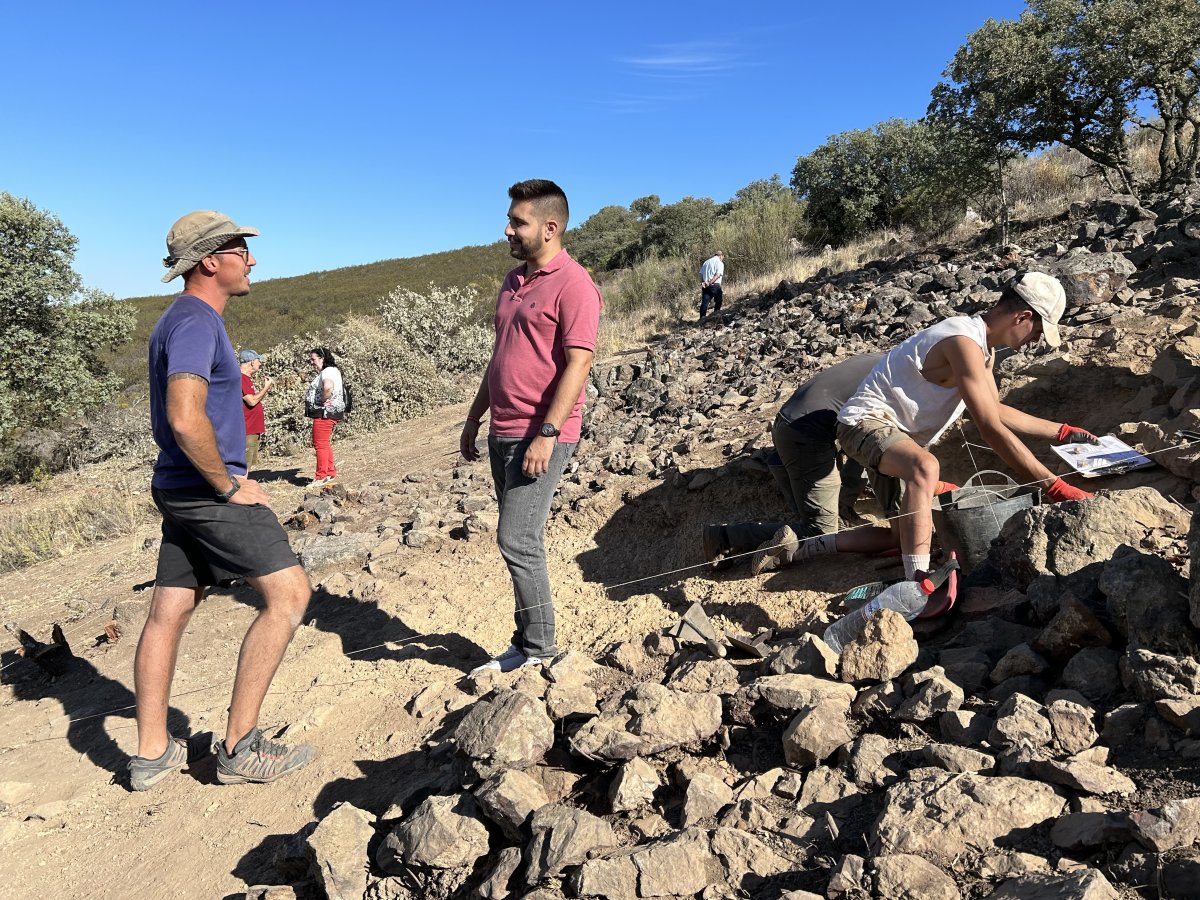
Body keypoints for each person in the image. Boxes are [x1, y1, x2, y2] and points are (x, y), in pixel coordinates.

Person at [130, 210, 314, 791]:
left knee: (169, 610)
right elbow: (186, 419)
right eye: (241, 249)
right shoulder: (196, 322)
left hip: (177, 488)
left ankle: (152, 754)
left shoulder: (178, 320)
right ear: (211, 261)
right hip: (205, 490)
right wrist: (229, 485)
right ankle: (240, 747)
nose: (251, 259)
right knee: (289, 594)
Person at [829, 271, 1096, 587]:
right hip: (864, 424)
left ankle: (804, 548)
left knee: (901, 538)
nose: (1036, 340)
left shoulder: (984, 349)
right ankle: (917, 583)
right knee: (924, 467)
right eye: (1038, 330)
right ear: (1023, 316)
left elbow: (994, 410)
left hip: (899, 438)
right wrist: (1053, 486)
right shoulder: (963, 342)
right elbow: (989, 428)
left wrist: (1062, 432)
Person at [460, 180, 603, 673]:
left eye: (517, 222)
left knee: (516, 539)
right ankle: (526, 640)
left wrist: (548, 432)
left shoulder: (576, 284)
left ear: (550, 227)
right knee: (519, 540)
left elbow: (578, 365)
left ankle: (540, 650)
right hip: (502, 428)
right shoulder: (512, 281)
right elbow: (500, 357)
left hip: (540, 433)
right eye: (510, 219)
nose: (508, 229)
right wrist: (475, 416)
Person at [304, 347, 345, 485]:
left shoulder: (328, 371)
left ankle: (321, 476)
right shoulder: (332, 371)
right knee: (324, 443)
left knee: (319, 443)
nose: (311, 362)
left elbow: (328, 387)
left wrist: (322, 399)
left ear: (322, 358)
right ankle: (329, 472)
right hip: (330, 413)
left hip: (325, 413)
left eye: (313, 359)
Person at [239, 349, 273, 472]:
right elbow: (252, 401)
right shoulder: (241, 378)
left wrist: (264, 391)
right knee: (244, 464)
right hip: (247, 428)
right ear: (252, 362)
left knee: (249, 463)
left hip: (252, 427)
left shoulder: (246, 379)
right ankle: (241, 488)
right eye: (258, 361)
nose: (260, 364)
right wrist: (266, 387)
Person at [699, 251, 725, 320]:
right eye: (723, 257)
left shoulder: (706, 262)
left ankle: (702, 319)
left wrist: (703, 282)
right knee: (719, 300)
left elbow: (701, 274)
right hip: (715, 285)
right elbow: (718, 275)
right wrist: (710, 282)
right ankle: (716, 316)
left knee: (705, 302)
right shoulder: (719, 263)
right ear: (721, 256)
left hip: (705, 285)